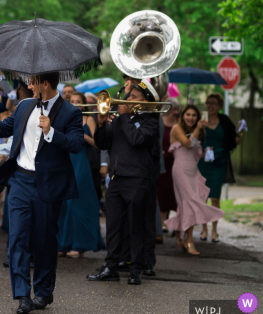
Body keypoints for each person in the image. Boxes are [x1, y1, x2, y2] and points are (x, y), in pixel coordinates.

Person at [0, 72, 84, 314]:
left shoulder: (71, 112)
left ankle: (43, 291)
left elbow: (76, 144)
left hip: (48, 185)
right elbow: (4, 126)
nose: (28, 86)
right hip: (20, 180)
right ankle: (22, 295)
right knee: (17, 237)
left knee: (44, 240)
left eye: (32, 82)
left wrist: (51, 132)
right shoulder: (25, 105)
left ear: (46, 84)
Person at [87, 81, 160, 286]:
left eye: (134, 97)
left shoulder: (151, 121)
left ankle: (136, 268)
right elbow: (102, 143)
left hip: (137, 178)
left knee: (135, 224)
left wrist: (125, 116)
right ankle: (111, 266)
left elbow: (137, 140)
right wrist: (101, 124)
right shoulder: (119, 119)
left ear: (145, 101)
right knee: (113, 225)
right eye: (129, 97)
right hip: (116, 178)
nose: (128, 100)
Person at [165, 105, 224, 255]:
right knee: (190, 203)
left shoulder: (198, 132)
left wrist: (204, 154)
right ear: (183, 115)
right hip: (180, 171)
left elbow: (194, 153)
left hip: (193, 171)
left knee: (189, 203)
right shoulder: (176, 128)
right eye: (188, 114)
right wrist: (198, 129)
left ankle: (179, 233)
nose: (190, 118)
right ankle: (189, 240)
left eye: (194, 115)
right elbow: (186, 144)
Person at [57, 92, 106, 258]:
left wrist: (82, 135)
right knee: (63, 205)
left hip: (81, 164)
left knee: (76, 205)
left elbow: (98, 143)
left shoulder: (88, 119)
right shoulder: (64, 119)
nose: (76, 104)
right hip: (65, 162)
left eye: (79, 102)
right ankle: (63, 244)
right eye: (73, 101)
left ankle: (79, 245)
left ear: (84, 104)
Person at [198, 93, 241, 243]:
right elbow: (193, 138)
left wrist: (240, 133)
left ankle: (214, 231)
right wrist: (200, 128)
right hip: (203, 163)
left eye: (214, 103)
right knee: (202, 198)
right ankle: (204, 230)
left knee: (215, 198)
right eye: (208, 102)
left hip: (218, 163)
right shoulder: (201, 119)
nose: (210, 105)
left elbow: (233, 141)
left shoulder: (225, 121)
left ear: (220, 106)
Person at [158, 100, 181, 229]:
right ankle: (162, 222)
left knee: (176, 191)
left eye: (177, 110)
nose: (175, 113)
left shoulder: (179, 125)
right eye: (173, 110)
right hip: (163, 163)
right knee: (163, 191)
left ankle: (178, 221)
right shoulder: (160, 122)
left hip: (176, 162)